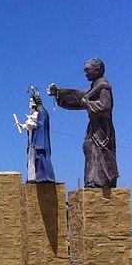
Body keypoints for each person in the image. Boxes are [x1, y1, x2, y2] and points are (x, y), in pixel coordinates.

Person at [48, 58, 118, 188]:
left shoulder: (103, 87)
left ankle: (100, 182)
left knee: (98, 151)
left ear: (97, 70)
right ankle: (92, 181)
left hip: (103, 130)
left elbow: (105, 106)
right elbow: (78, 96)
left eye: (87, 70)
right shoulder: (95, 88)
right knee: (89, 149)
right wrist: (58, 93)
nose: (85, 73)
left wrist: (87, 103)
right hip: (94, 127)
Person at [15, 87, 56, 183]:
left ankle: (43, 177)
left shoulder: (42, 113)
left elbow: (42, 124)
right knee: (32, 159)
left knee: (40, 158)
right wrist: (23, 125)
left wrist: (34, 125)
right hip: (32, 141)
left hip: (39, 141)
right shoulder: (35, 114)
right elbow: (30, 125)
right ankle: (32, 177)